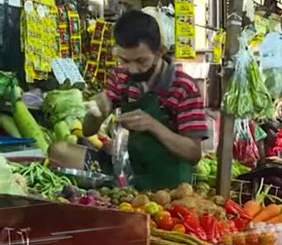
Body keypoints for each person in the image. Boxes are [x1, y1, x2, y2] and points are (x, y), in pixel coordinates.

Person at [49, 10, 207, 191]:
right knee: (59, 150)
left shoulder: (183, 87)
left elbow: (193, 153)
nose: (132, 69)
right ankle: (114, 186)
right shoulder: (120, 76)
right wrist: (96, 112)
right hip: (126, 167)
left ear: (160, 52)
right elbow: (88, 130)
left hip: (168, 180)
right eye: (124, 60)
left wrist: (152, 125)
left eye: (141, 61)